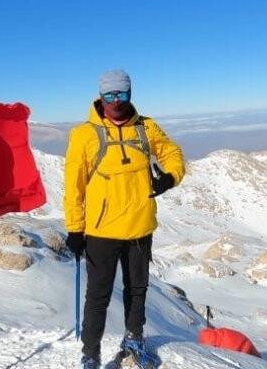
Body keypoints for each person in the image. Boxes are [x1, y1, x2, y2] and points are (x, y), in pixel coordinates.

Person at [64, 69, 185, 369]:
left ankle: (134, 339)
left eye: (122, 94)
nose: (116, 101)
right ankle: (90, 354)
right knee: (98, 296)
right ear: (100, 96)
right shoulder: (84, 135)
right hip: (101, 231)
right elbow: (74, 186)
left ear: (130, 93)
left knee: (137, 289)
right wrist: (75, 229)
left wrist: (170, 178)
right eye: (110, 95)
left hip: (140, 226)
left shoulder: (146, 128)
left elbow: (171, 152)